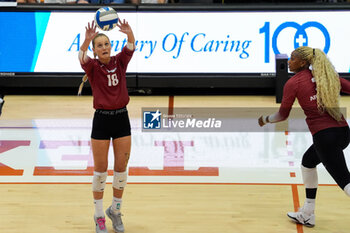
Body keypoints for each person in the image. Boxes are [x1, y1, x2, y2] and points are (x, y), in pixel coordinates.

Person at [258, 46, 350, 228]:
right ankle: (307, 213)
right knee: (308, 162)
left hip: (325, 137)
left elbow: (282, 115)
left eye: (292, 59)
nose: (288, 62)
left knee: (345, 182)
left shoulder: (293, 83)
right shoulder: (327, 77)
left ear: (302, 62)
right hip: (343, 132)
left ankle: (307, 213)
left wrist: (265, 119)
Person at [78, 19, 135, 233]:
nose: (104, 48)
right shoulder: (92, 66)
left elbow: (130, 47)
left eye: (106, 44)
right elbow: (81, 57)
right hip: (102, 120)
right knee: (100, 172)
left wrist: (129, 33)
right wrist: (86, 41)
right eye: (99, 45)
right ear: (94, 51)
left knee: (121, 170)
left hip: (122, 119)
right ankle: (99, 215)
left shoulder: (120, 62)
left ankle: (116, 211)